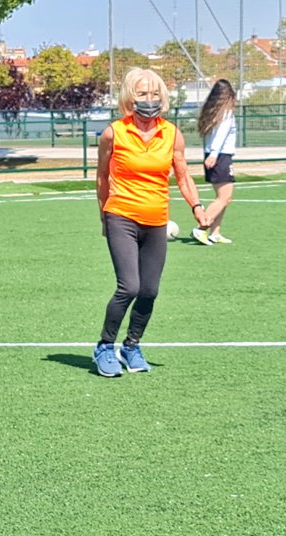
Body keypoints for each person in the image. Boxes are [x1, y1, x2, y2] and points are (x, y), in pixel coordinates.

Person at [93, 68, 210, 378]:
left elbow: (183, 176)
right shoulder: (114, 133)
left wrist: (197, 207)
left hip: (157, 220)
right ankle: (105, 346)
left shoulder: (172, 134)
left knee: (149, 290)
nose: (149, 99)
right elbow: (102, 177)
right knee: (128, 286)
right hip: (121, 215)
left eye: (155, 93)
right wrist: (104, 215)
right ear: (130, 97)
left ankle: (131, 345)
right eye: (142, 94)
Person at [193, 79, 237, 245]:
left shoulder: (213, 113)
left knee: (223, 197)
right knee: (224, 197)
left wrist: (210, 154)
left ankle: (215, 233)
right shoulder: (225, 113)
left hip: (214, 156)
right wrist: (214, 154)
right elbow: (221, 136)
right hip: (220, 157)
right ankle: (201, 228)